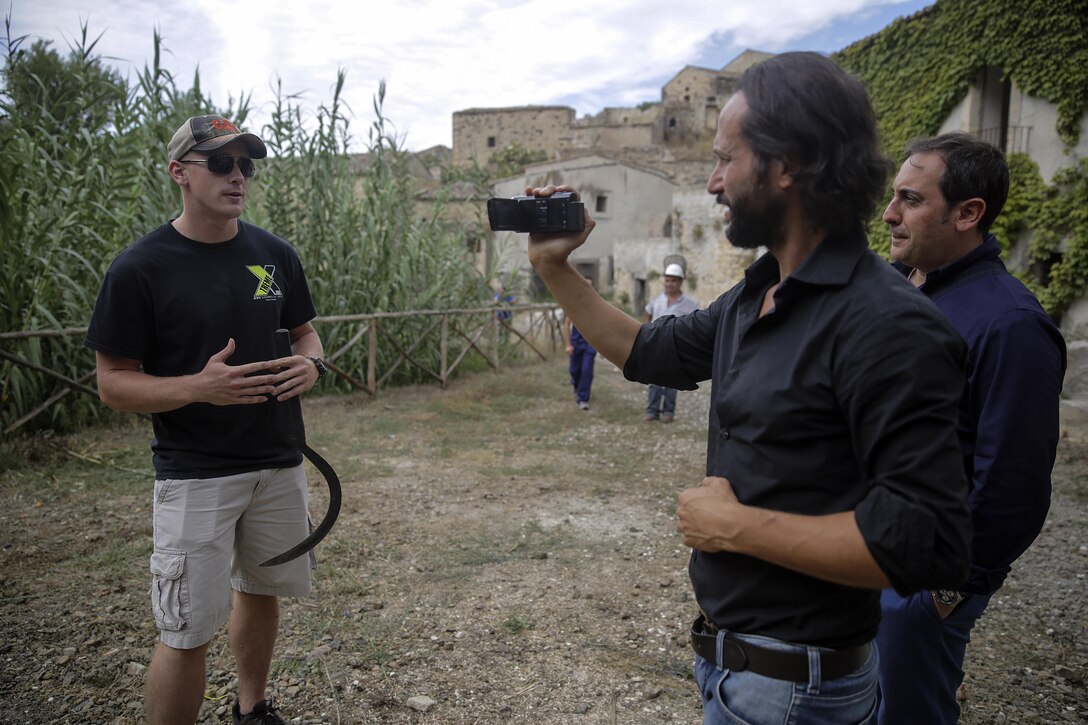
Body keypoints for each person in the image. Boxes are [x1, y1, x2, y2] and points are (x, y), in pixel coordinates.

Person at [526, 52, 973, 724]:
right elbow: (649, 350)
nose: (711, 182)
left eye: (724, 159)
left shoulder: (887, 324)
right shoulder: (758, 293)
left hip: (796, 690)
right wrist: (554, 269)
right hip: (736, 669)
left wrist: (737, 528)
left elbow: (925, 541)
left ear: (785, 163)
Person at [84, 115, 328, 725]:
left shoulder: (275, 254)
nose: (238, 176)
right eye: (220, 163)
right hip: (196, 473)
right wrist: (198, 387)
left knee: (262, 591)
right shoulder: (139, 267)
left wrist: (312, 367)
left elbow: (307, 336)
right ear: (180, 174)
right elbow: (112, 383)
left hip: (277, 463)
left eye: (246, 164)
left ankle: (252, 708)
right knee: (186, 629)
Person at [876, 133, 1066, 724]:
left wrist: (940, 595)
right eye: (893, 197)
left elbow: (1013, 485)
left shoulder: (1009, 325)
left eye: (910, 199)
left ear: (968, 213)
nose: (889, 213)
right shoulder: (902, 289)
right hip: (865, 555)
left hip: (919, 585)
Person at [644, 262, 699, 422]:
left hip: (675, 348)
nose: (670, 284)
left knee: (671, 381)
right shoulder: (657, 300)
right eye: (667, 280)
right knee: (653, 380)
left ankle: (668, 412)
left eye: (674, 280)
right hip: (655, 346)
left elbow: (695, 325)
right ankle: (652, 411)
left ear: (681, 282)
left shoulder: (690, 304)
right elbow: (648, 314)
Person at [562, 275, 596, 410]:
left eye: (590, 286)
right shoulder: (574, 304)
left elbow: (601, 326)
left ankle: (583, 398)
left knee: (587, 370)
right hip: (576, 342)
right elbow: (566, 325)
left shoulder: (595, 305)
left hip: (590, 344)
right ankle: (576, 386)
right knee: (574, 370)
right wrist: (568, 344)